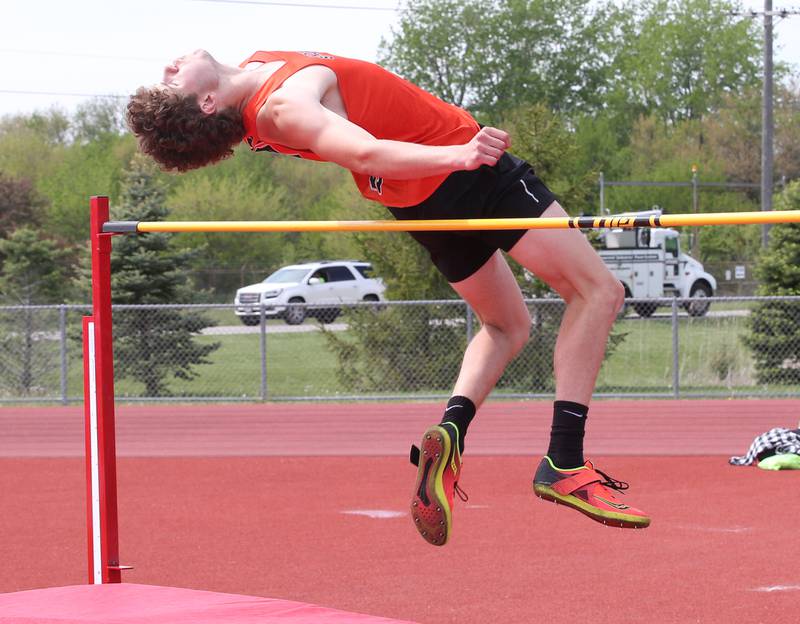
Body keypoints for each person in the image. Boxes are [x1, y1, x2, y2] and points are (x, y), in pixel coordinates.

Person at [127, 49, 651, 546]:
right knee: (599, 291)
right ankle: (563, 461)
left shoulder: (256, 68)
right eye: (171, 81)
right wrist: (462, 154)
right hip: (459, 171)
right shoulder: (281, 107)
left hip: (419, 197)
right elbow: (362, 150)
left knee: (505, 326)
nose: (171, 66)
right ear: (207, 102)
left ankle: (452, 429)